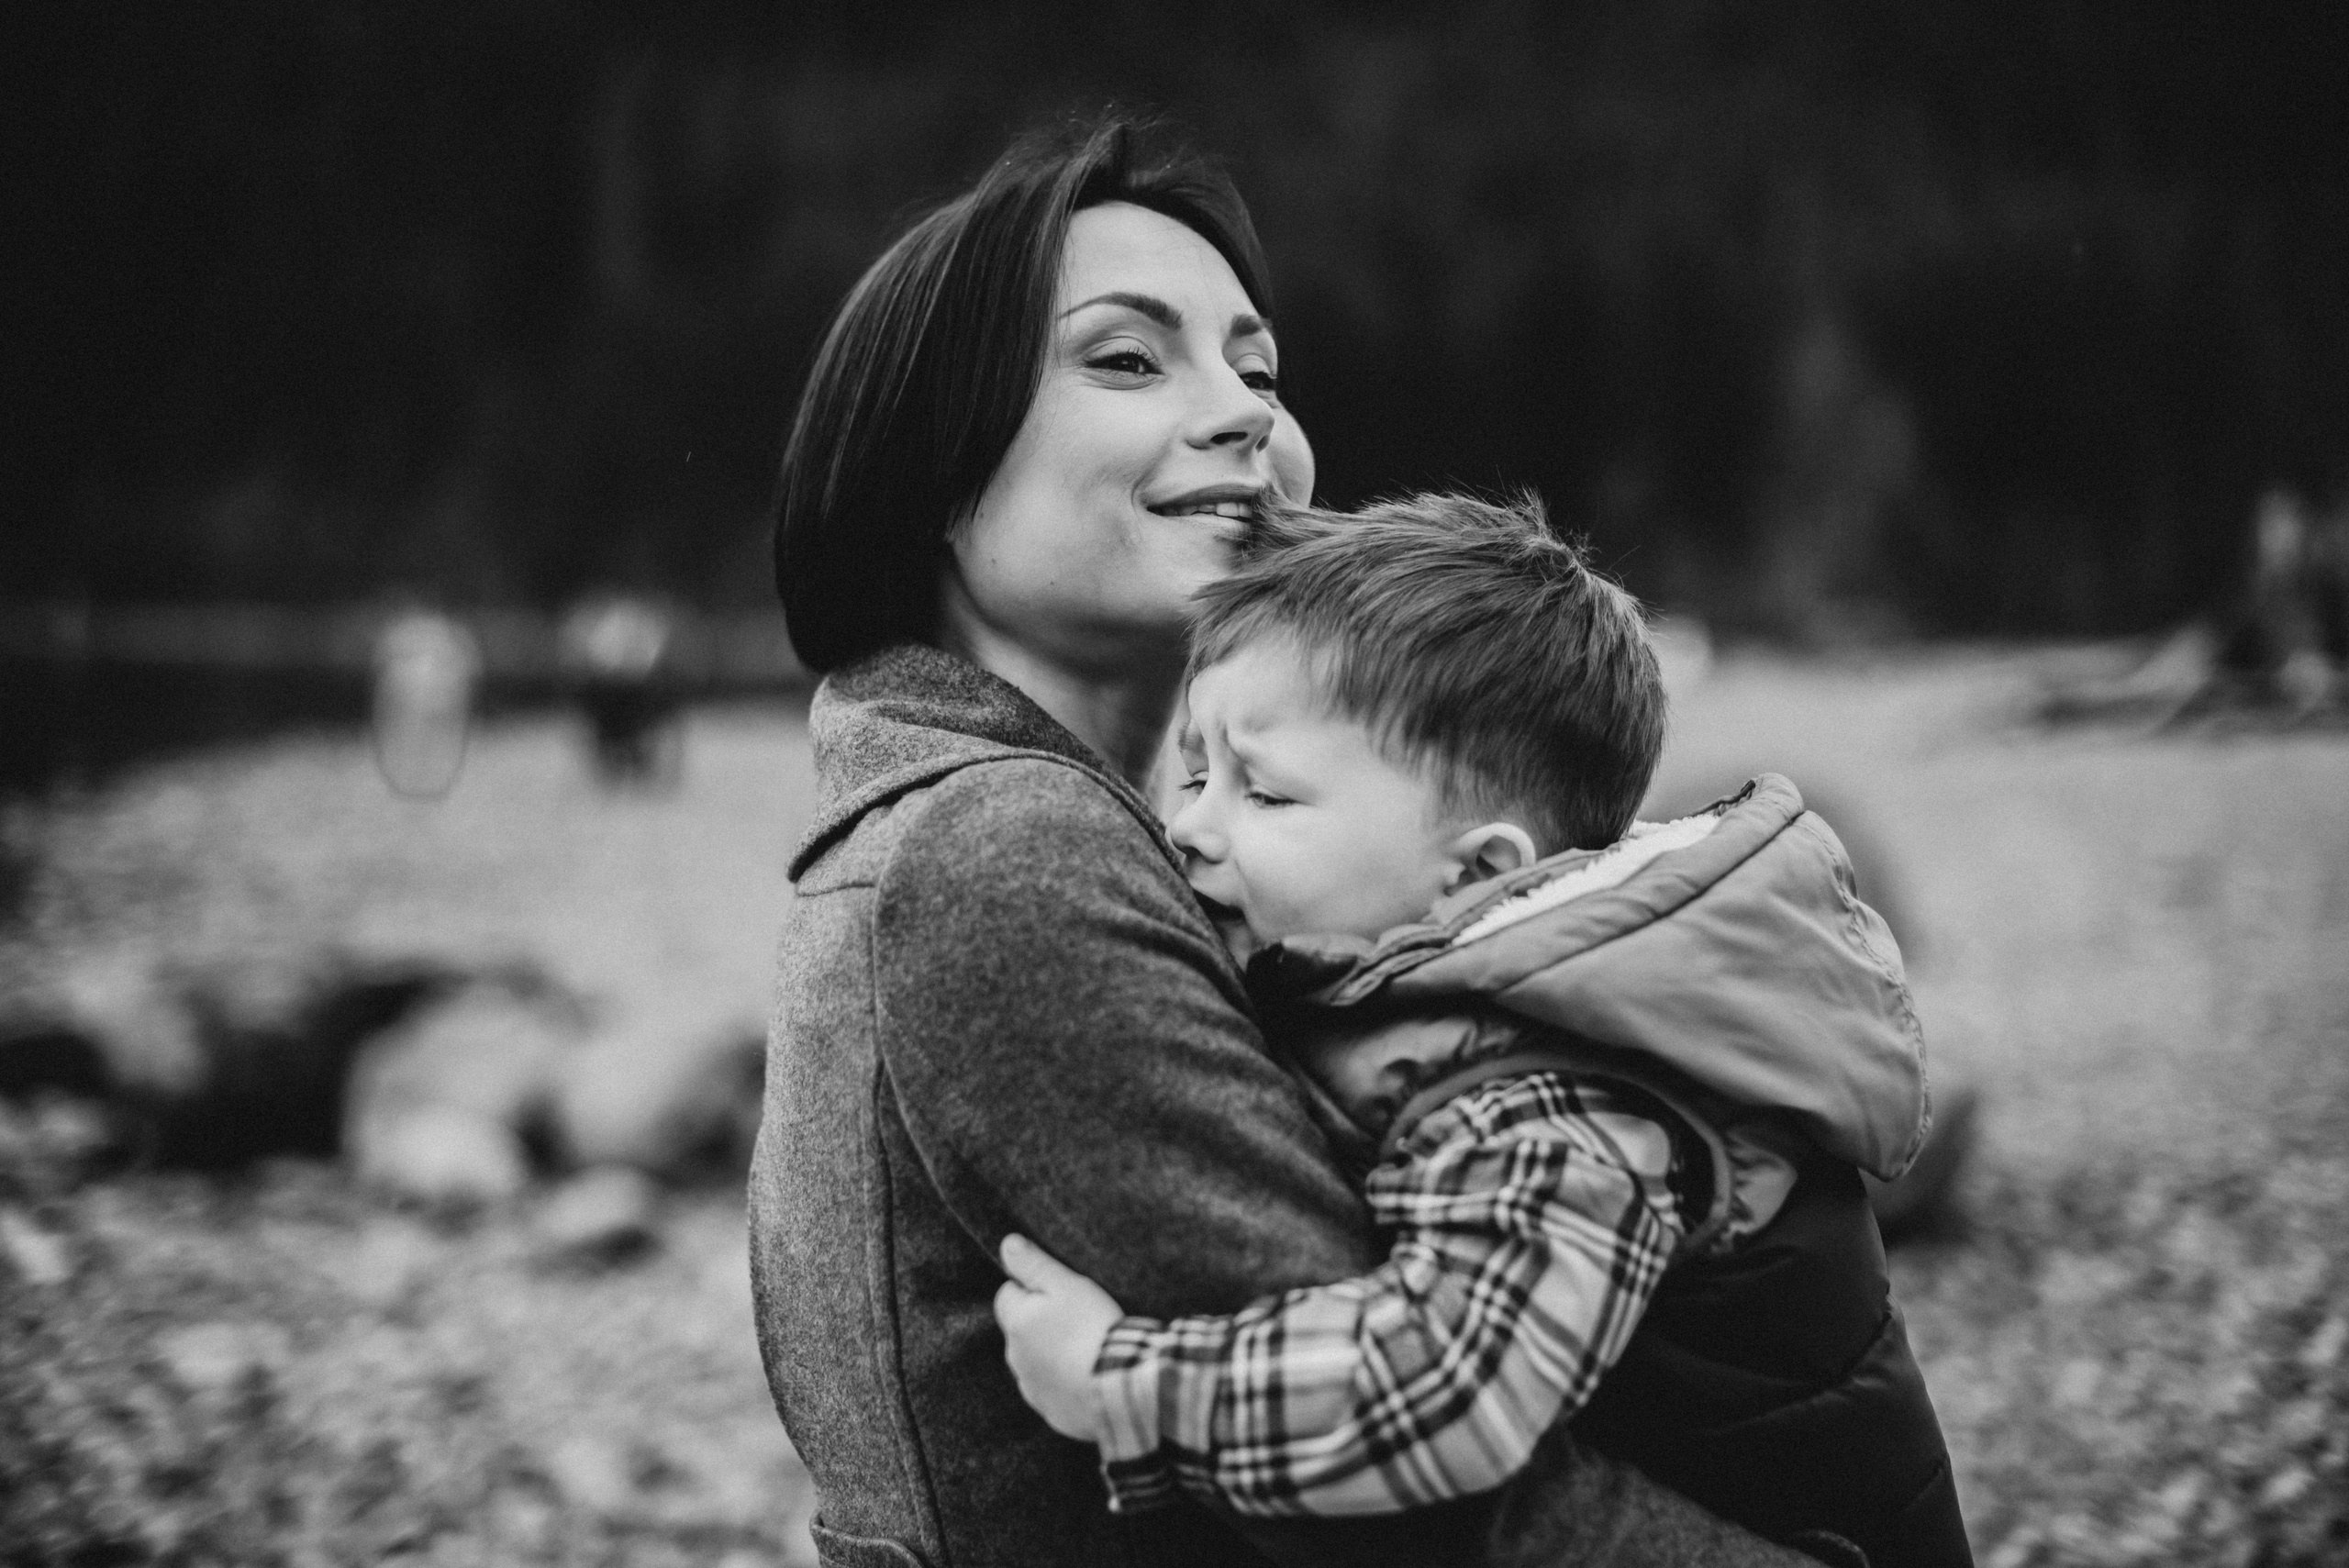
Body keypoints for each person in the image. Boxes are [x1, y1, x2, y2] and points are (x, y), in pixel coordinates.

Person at [750, 112, 1839, 1568]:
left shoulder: (964, 820)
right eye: (1131, 358)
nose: (1247, 413)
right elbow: (1416, 1506)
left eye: (1258, 368)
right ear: (931, 469)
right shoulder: (1008, 850)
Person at [993, 495, 1973, 1567]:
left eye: (1261, 792)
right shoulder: (1476, 1001)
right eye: (1194, 773)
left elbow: (1445, 1389)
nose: (1187, 825)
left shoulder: (1558, 1091)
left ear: (1476, 875)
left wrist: (1123, 1384)